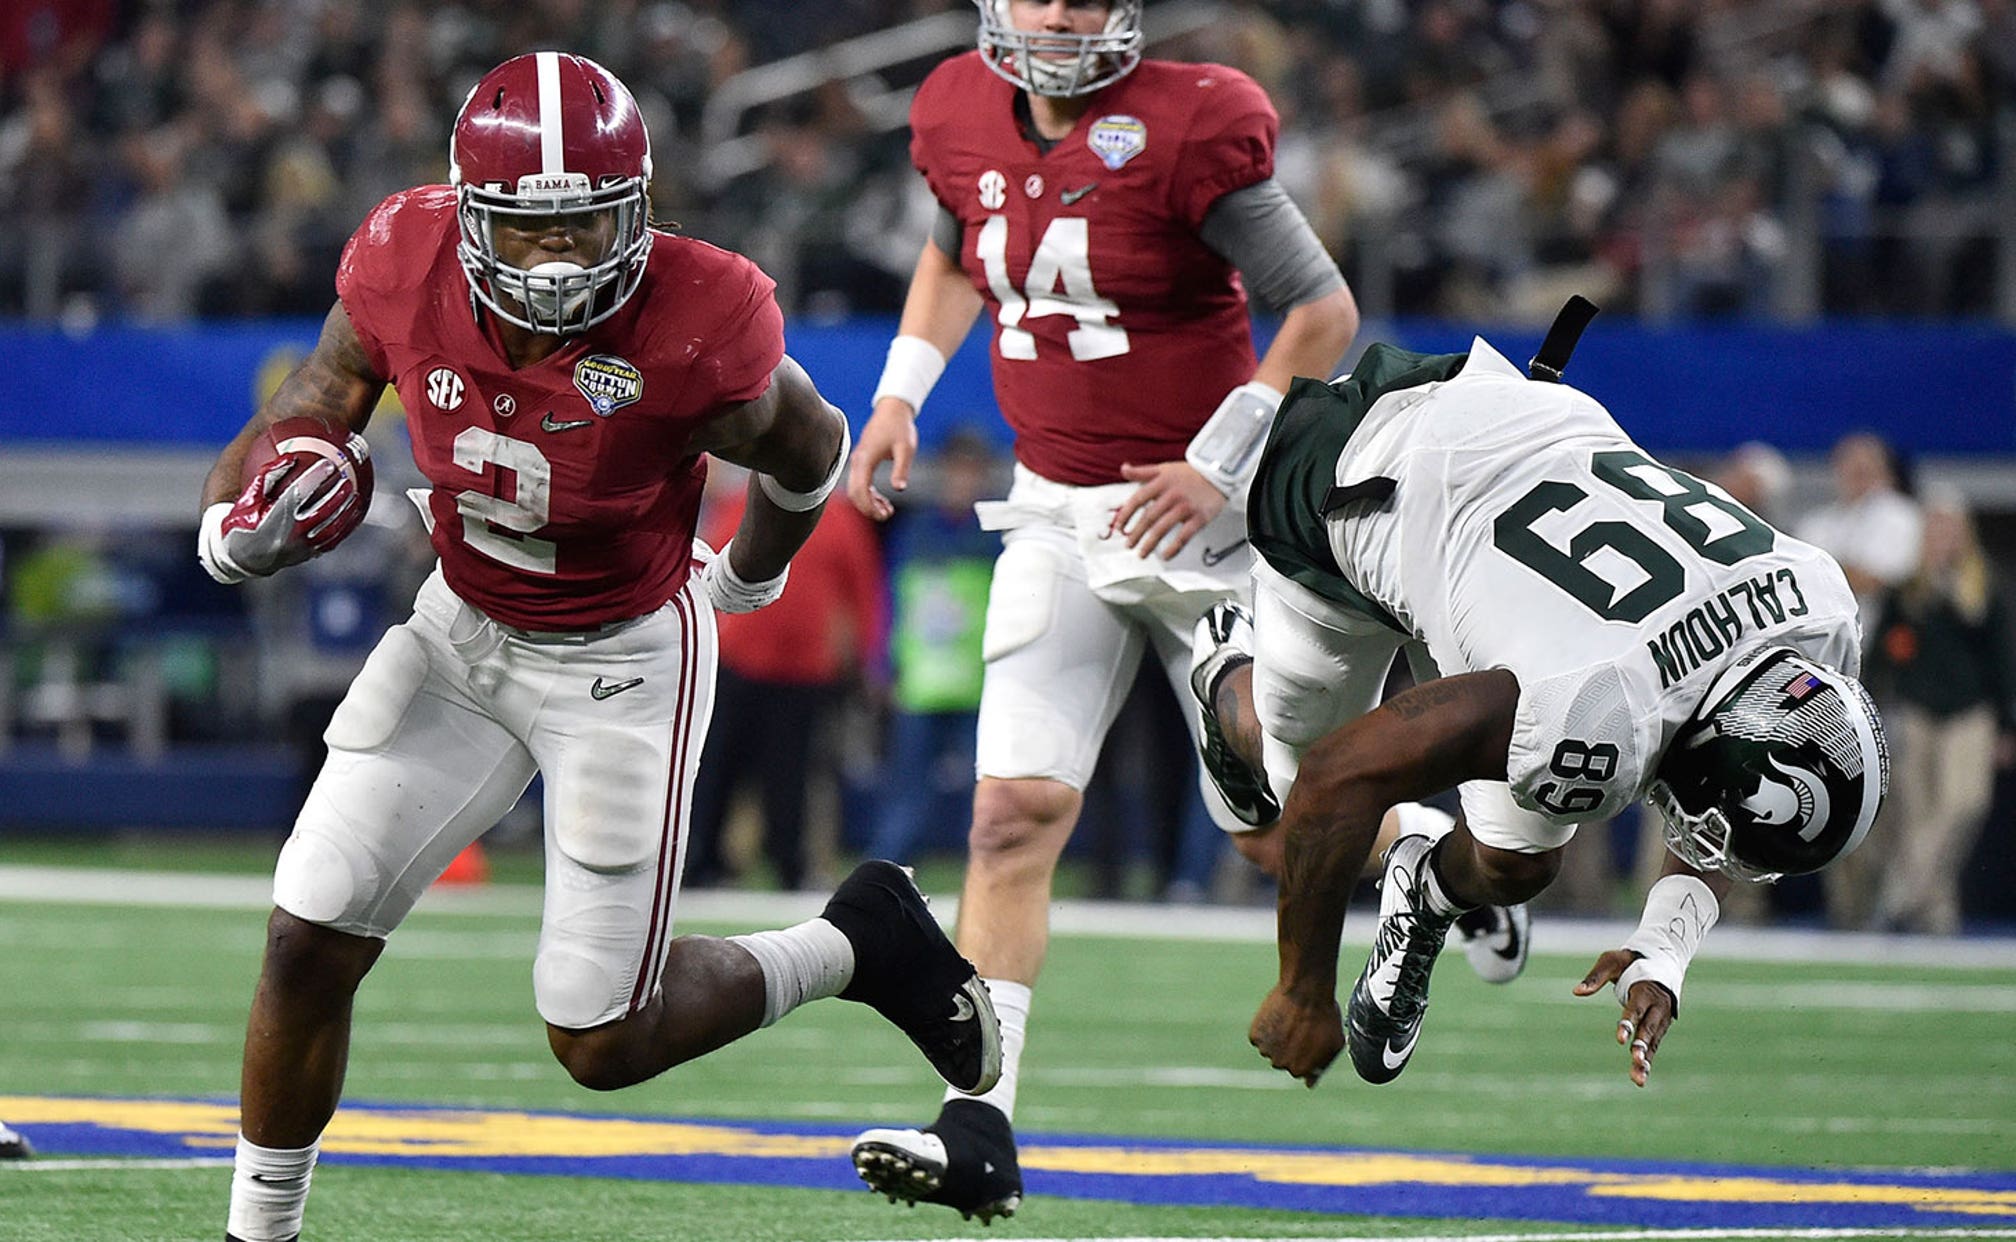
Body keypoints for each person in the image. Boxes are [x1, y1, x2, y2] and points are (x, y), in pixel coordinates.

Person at [193, 54, 999, 1242]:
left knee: (600, 1039)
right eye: (529, 233)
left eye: (589, 226)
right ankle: (258, 1233)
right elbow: (316, 396)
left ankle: (854, 943)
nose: (561, 262)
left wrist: (754, 570)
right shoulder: (401, 257)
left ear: (639, 208)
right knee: (307, 927)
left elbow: (812, 446)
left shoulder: (698, 314)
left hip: (620, 658)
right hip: (462, 633)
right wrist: (234, 528)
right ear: (471, 219)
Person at [842, 0, 1520, 1221]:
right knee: (1008, 820)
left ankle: (1434, 858)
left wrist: (1219, 453)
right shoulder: (953, 106)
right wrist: (901, 390)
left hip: (1210, 521)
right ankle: (979, 1129)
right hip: (1058, 511)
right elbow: (956, 247)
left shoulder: (1188, 120)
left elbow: (1322, 310)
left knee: (1276, 816)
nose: (1059, 12)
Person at [1189, 310, 1889, 1092]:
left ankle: (1423, 891)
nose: (1711, 842)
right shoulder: (1596, 709)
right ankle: (1223, 663)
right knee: (1296, 782)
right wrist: (1302, 989)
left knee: (1519, 864)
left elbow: (1735, 771)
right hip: (1359, 479)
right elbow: (1338, 777)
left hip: (1520, 448)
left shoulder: (1816, 611)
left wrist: (1663, 947)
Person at [685, 470, 886, 891]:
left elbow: (864, 591)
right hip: (739, 660)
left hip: (805, 669)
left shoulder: (840, 517)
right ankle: (701, 862)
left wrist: (869, 658)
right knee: (717, 767)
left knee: (790, 776)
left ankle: (789, 866)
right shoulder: (739, 504)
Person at [1869, 486, 2016, 934]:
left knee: (1962, 804)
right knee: (1916, 811)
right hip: (1916, 710)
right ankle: (1935, 911)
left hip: (1971, 712)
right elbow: (1883, 654)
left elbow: (2004, 657)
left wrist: (2008, 725)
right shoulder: (1908, 589)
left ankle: (1901, 893)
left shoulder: (1985, 586)